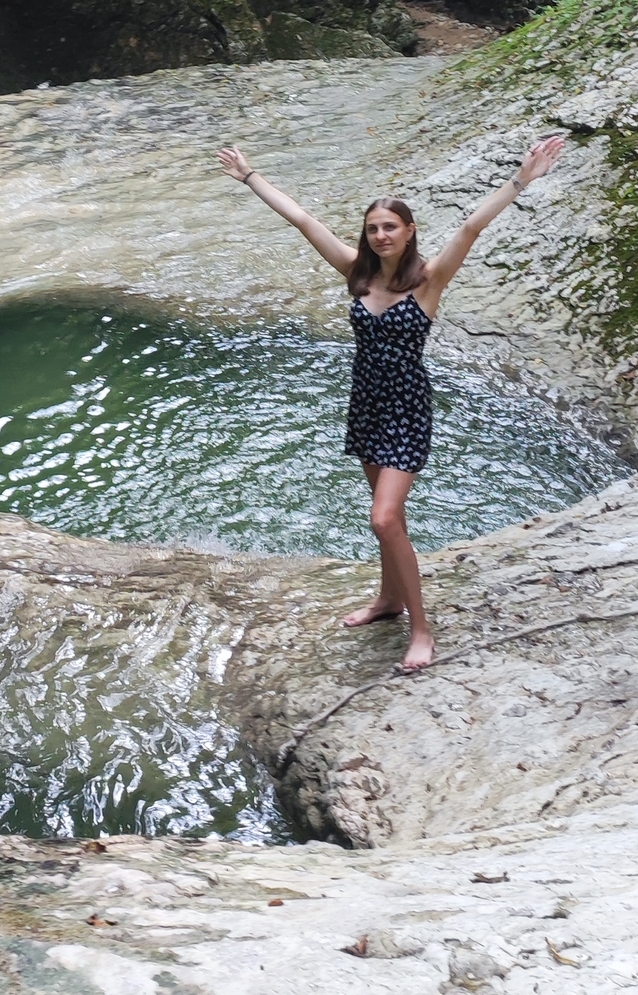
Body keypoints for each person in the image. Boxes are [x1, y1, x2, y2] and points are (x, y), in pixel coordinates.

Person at [216, 133, 568, 671]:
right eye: (374, 228)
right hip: (366, 403)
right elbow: (305, 221)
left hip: (406, 408)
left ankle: (421, 629)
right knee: (386, 516)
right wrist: (250, 177)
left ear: (409, 233)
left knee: (385, 519)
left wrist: (522, 179)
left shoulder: (427, 282)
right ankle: (389, 599)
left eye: (391, 227)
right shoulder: (356, 273)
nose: (381, 235)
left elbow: (471, 228)